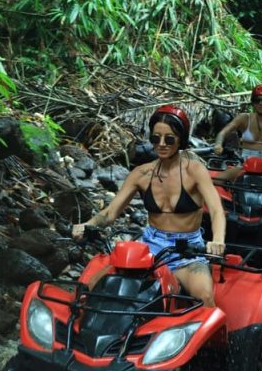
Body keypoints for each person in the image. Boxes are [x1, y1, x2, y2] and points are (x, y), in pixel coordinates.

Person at [72, 105, 226, 308]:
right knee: (91, 287)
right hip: (150, 247)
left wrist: (217, 240)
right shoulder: (141, 173)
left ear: (181, 139)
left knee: (205, 297)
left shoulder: (195, 171)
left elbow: (216, 210)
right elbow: (110, 213)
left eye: (169, 138)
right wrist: (87, 225)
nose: (161, 144)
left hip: (187, 252)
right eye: (156, 138)